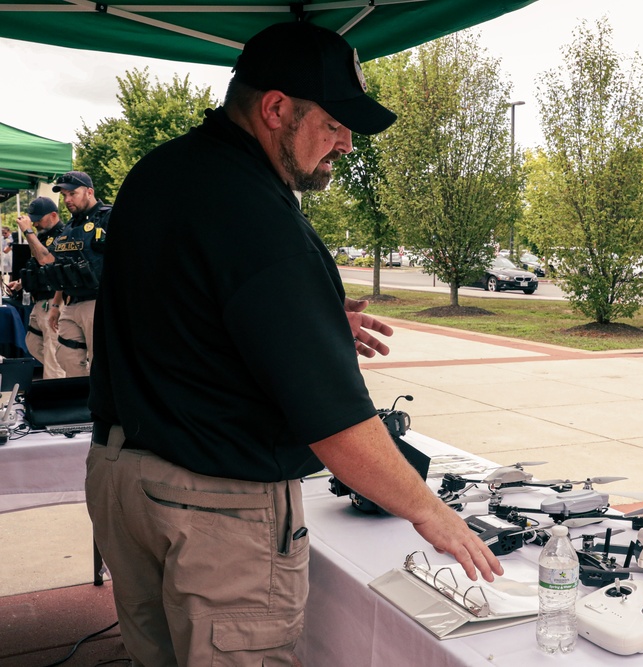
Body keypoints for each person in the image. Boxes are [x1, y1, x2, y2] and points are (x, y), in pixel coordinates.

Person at [86, 21, 503, 666]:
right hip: (212, 505)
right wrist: (431, 511)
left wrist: (306, 318)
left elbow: (179, 312)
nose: (344, 146)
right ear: (276, 108)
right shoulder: (259, 215)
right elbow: (335, 422)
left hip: (124, 480)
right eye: (333, 126)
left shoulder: (160, 172)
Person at [46, 170, 111, 376]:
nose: (67, 200)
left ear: (89, 191)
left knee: (102, 362)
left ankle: (103, 405)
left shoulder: (108, 217)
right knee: (66, 357)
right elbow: (59, 267)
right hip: (71, 302)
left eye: (72, 193)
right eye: (64, 195)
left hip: (97, 302)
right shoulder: (70, 227)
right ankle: (82, 401)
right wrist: (56, 305)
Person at [14, 197, 66, 378]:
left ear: (53, 215)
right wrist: (21, 283)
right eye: (32, 218)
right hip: (38, 299)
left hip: (53, 298)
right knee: (33, 343)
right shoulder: (42, 235)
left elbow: (46, 260)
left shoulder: (63, 234)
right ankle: (65, 373)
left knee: (53, 352)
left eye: (38, 218)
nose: (35, 222)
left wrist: (28, 231)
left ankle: (57, 392)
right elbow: (37, 265)